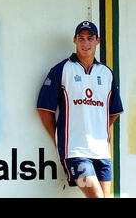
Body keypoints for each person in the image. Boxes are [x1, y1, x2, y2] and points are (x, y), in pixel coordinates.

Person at [36, 21, 124, 198]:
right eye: (81, 39)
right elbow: (44, 109)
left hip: (102, 154)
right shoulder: (62, 69)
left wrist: (97, 128)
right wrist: (57, 138)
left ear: (97, 41)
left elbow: (114, 112)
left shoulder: (106, 73)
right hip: (75, 152)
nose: (86, 44)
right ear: (75, 40)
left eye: (90, 39)